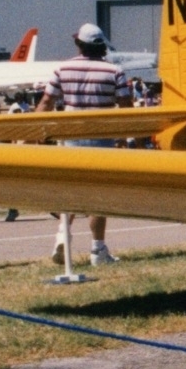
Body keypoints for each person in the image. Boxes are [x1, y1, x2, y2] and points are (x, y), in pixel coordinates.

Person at [38, 23, 132, 265]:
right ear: (101, 46)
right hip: (101, 138)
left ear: (78, 44)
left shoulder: (62, 68)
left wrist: (36, 132)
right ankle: (98, 249)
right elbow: (126, 108)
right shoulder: (115, 71)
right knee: (97, 196)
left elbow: (47, 101)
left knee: (68, 189)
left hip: (70, 136)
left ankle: (63, 234)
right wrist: (131, 137)